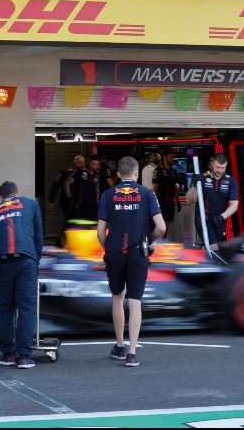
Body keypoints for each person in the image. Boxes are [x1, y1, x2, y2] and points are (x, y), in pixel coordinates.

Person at [97, 157, 166, 368]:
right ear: (136, 174)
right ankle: (132, 353)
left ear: (119, 174)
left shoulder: (108, 194)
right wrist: (149, 240)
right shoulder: (147, 193)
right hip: (138, 252)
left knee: (117, 297)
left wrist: (108, 247)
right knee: (135, 300)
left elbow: (100, 232)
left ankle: (119, 346)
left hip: (115, 252)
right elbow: (161, 227)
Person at [0, 181, 43, 369]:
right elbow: (38, 236)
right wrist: (35, 261)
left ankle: (8, 354)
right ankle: (24, 357)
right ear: (17, 193)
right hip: (26, 260)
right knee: (26, 307)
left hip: (2, 261)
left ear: (0, 198)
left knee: (4, 308)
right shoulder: (31, 205)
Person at [186, 153, 239, 251]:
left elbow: (234, 205)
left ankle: (201, 261)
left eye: (223, 168)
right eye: (217, 167)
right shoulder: (202, 177)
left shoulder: (230, 181)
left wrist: (221, 217)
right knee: (214, 248)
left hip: (220, 221)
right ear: (212, 164)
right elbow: (189, 200)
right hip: (203, 219)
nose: (220, 170)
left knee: (211, 248)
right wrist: (194, 186)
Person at [65, 155, 102, 221]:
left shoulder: (98, 174)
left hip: (92, 206)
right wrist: (69, 197)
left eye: (96, 164)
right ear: (89, 163)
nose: (94, 166)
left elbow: (97, 189)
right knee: (78, 227)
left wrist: (98, 203)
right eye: (92, 164)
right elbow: (67, 183)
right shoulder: (79, 171)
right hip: (80, 205)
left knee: (93, 226)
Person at [152, 150, 180, 237]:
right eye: (171, 157)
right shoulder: (158, 170)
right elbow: (155, 188)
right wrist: (155, 204)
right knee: (160, 228)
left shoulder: (173, 171)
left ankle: (162, 246)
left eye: (173, 157)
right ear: (164, 157)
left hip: (170, 204)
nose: (173, 159)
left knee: (166, 228)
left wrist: (178, 201)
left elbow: (175, 187)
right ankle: (155, 246)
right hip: (161, 203)